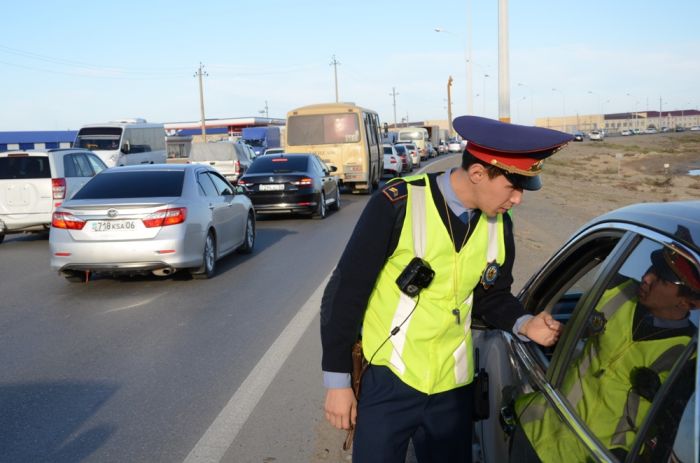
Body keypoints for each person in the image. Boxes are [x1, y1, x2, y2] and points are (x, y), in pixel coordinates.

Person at [320, 115, 573, 463]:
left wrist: (524, 322)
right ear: (478, 173)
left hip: (452, 389)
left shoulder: (501, 225)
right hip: (389, 379)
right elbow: (345, 294)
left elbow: (493, 296)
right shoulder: (397, 205)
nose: (518, 200)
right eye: (513, 187)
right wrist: (338, 384)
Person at [513, 244, 700, 462]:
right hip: (534, 432)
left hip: (593, 456)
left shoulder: (689, 357)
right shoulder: (616, 289)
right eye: (652, 268)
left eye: (663, 280)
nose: (647, 278)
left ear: (690, 303)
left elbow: (674, 435)